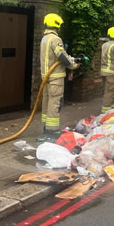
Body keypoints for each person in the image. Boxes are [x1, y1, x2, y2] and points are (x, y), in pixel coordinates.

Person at [38, 13, 79, 142]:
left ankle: (46, 128)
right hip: (55, 78)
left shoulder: (44, 39)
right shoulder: (56, 39)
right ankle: (53, 130)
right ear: (57, 25)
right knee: (55, 103)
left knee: (47, 103)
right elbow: (62, 57)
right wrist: (73, 65)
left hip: (46, 77)